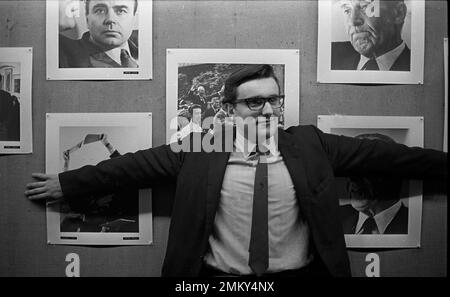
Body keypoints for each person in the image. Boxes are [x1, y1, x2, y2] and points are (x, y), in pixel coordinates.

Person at [25, 65, 446, 277]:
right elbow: (130, 168)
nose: (268, 110)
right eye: (254, 102)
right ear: (230, 110)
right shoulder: (203, 148)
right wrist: (66, 182)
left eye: (273, 101)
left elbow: (392, 159)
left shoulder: (310, 144)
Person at [339, 133, 408, 234]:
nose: (353, 180)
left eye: (365, 170)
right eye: (350, 170)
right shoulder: (335, 216)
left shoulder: (412, 223)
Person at [331, 0, 410, 71]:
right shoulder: (331, 55)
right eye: (347, 10)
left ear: (399, 13)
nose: (353, 21)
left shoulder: (415, 67)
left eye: (366, 7)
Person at [59, 0, 139, 68]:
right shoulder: (64, 55)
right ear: (87, 19)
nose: (110, 19)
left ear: (134, 19)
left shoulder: (146, 47)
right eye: (100, 11)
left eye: (121, 11)